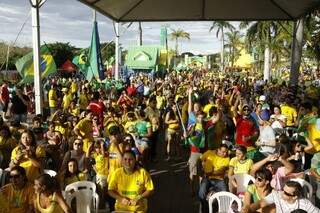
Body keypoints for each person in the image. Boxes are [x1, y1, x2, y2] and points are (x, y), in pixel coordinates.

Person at [243, 180, 320, 213]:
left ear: (295, 197)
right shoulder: (277, 195)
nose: (282, 193)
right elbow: (260, 203)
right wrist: (248, 209)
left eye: (286, 193)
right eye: (283, 190)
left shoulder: (305, 204)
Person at [198, 144, 230, 213]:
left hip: (219, 180)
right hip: (207, 178)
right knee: (201, 193)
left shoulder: (227, 159)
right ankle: (205, 209)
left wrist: (208, 172)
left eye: (226, 152)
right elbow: (200, 159)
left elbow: (220, 172)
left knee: (224, 194)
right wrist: (200, 170)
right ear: (218, 150)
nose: (225, 154)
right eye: (223, 151)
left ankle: (222, 210)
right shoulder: (209, 153)